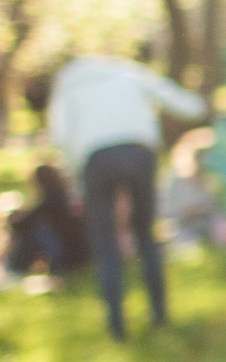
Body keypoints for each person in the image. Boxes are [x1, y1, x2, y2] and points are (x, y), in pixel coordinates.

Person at [48, 54, 207, 340]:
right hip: (139, 151)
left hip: (95, 159)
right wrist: (202, 107)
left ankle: (116, 326)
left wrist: (75, 174)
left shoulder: (68, 87)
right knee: (145, 234)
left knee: (105, 241)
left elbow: (59, 136)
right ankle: (160, 316)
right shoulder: (126, 72)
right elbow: (178, 100)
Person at [2, 162, 89, 277]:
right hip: (82, 252)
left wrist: (12, 218)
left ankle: (15, 268)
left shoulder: (51, 199)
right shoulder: (64, 196)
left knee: (30, 233)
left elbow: (23, 223)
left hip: (69, 254)